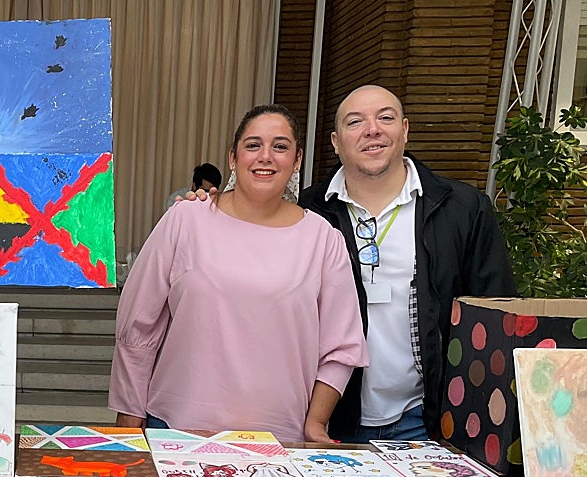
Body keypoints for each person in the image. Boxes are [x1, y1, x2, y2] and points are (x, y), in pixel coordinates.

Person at [110, 104, 368, 442]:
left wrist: (315, 423)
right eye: (253, 145)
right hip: (174, 431)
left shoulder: (323, 240)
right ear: (233, 157)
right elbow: (138, 323)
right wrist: (129, 414)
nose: (266, 156)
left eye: (280, 146)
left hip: (279, 441)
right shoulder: (186, 220)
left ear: (297, 159)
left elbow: (341, 347)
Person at [297, 85, 515, 442]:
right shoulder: (305, 213)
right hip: (323, 421)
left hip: (426, 421)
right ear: (336, 142)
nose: (372, 129)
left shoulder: (463, 210)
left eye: (386, 118)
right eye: (356, 122)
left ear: (405, 129)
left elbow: (495, 315)